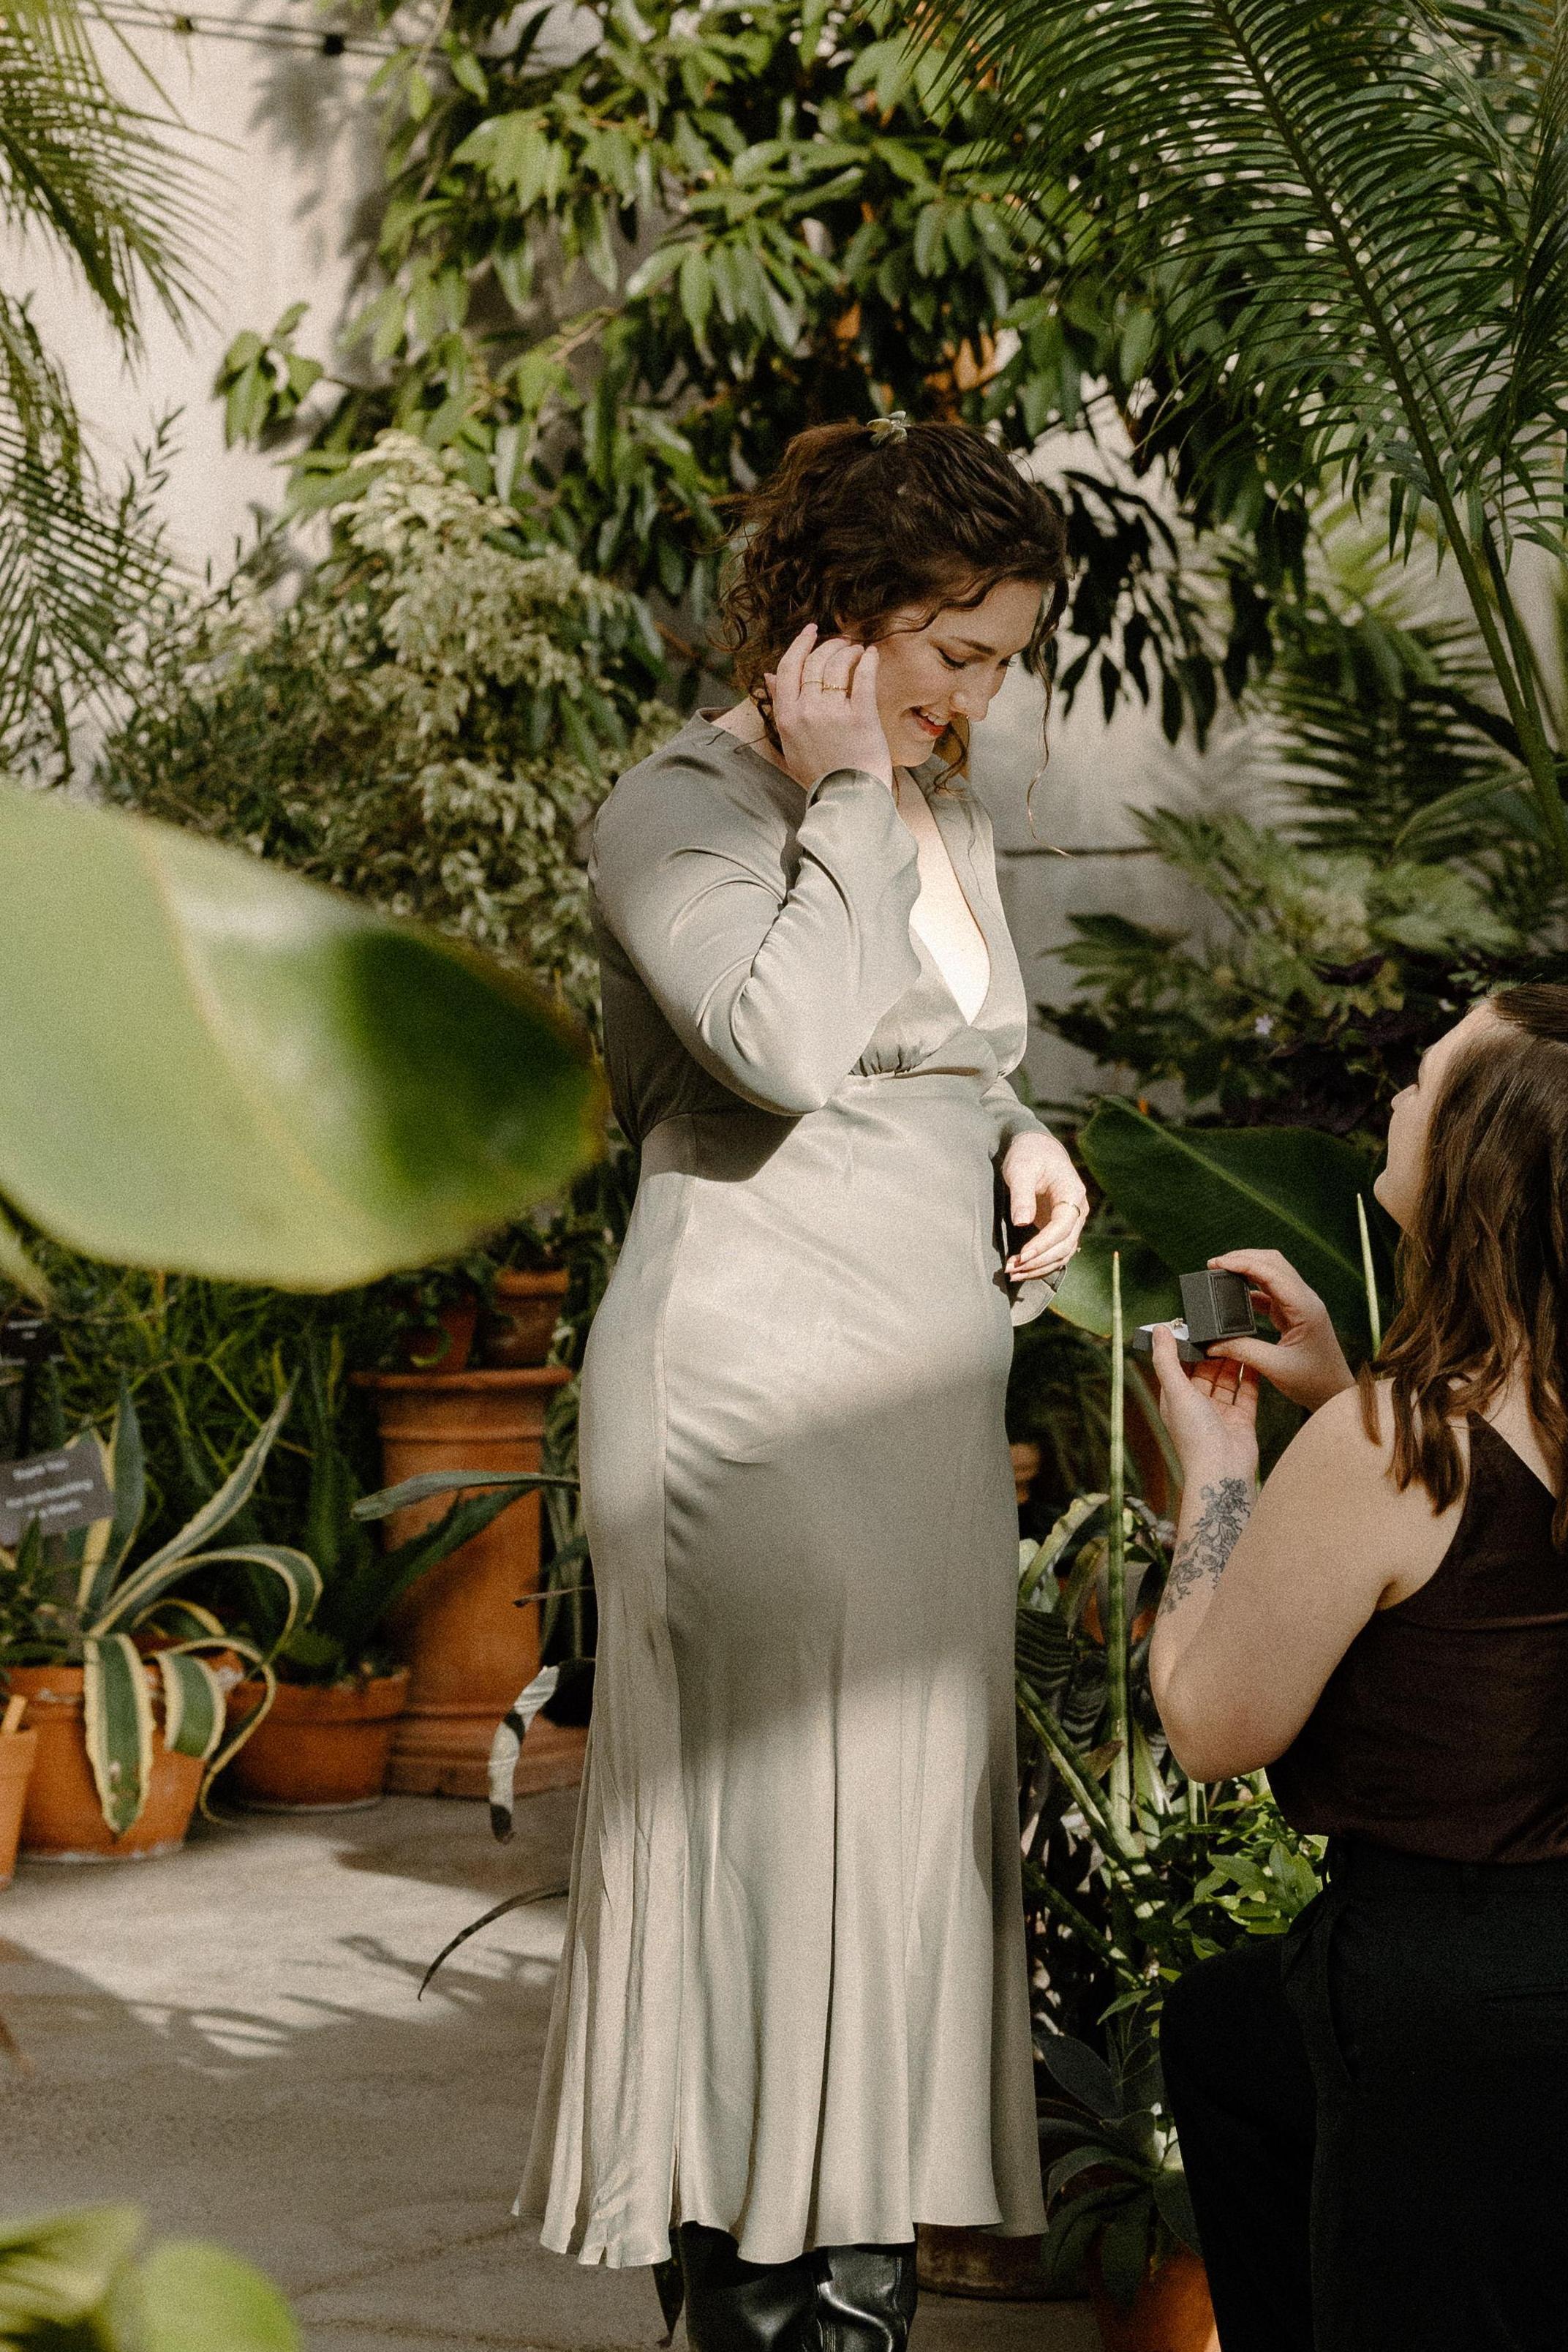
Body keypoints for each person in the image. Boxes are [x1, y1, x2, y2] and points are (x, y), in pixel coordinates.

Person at [517, 416, 1091, 2352]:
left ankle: (858, 2310)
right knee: (784, 1880)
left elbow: (940, 1038)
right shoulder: (680, 808)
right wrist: (845, 784)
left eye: (1006, 656)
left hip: (923, 1408)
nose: (978, 697)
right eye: (957, 649)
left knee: (897, 1878)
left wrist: (1021, 1131)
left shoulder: (950, 817)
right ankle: (786, 2323)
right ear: (840, 616)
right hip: (751, 1398)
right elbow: (775, 1043)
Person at [1145, 985, 1568, 2352]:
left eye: (1425, 1080)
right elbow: (1502, 1547)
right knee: (1229, 2037)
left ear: (1479, 1169)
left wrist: (1216, 1478)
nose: (1396, 1092)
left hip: (1501, 2030)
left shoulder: (1395, 1441)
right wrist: (1339, 1388)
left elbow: (1210, 1727)